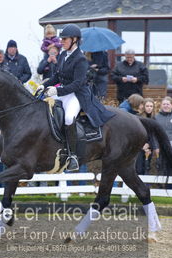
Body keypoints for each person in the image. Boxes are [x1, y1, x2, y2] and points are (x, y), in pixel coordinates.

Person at [40, 23, 115, 171]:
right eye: (61, 39)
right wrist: (44, 85)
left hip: (76, 95)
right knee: (44, 108)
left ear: (74, 39)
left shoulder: (80, 59)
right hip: (63, 92)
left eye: (65, 39)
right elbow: (57, 76)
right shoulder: (62, 55)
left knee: (68, 118)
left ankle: (72, 155)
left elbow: (78, 84)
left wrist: (56, 92)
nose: (61, 42)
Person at [136, 98, 159, 175]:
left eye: (151, 106)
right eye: (147, 106)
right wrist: (142, 145)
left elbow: (154, 135)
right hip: (138, 147)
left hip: (149, 148)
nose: (149, 108)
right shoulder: (138, 118)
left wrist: (149, 145)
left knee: (146, 168)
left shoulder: (154, 119)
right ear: (144, 107)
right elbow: (135, 133)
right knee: (138, 169)